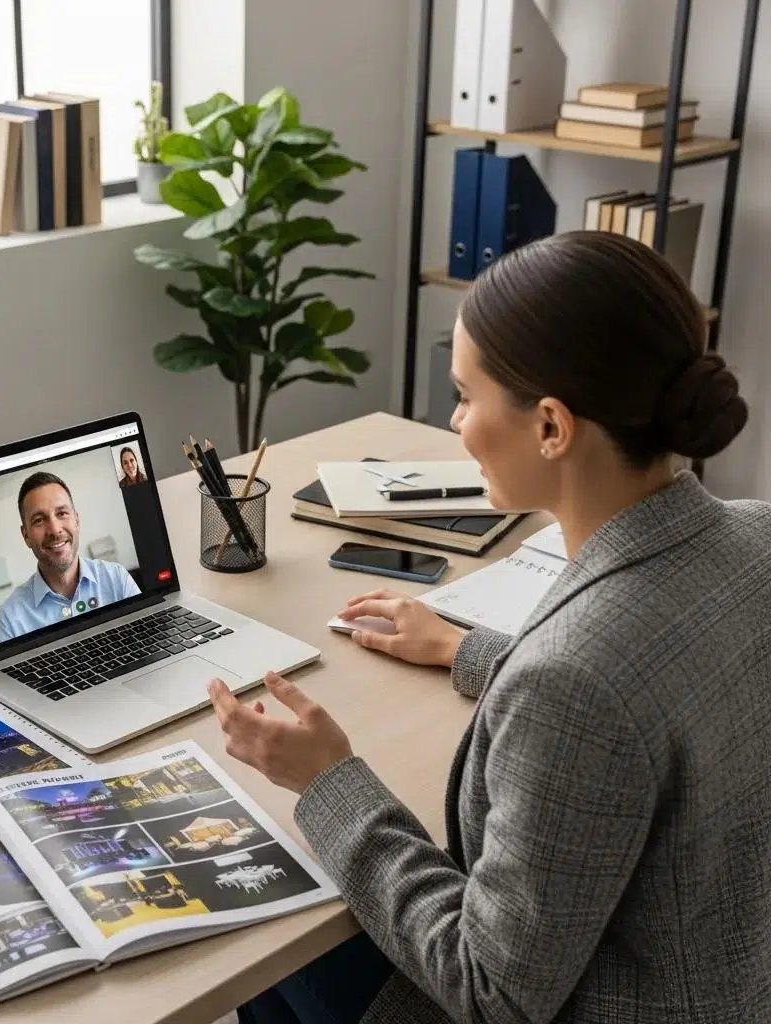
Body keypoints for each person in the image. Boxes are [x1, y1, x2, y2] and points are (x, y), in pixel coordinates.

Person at [210, 231, 771, 1023]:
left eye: (467, 395)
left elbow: (491, 993)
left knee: (265, 919)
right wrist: (466, 648)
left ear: (550, 426)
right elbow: (644, 691)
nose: (456, 420)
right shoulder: (758, 539)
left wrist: (327, 779)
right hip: (727, 984)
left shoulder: (572, 683)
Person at [0, 471, 140, 644]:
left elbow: (147, 644)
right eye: (39, 520)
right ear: (26, 536)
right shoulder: (9, 621)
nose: (54, 530)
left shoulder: (117, 579)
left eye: (61, 513)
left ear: (76, 520)